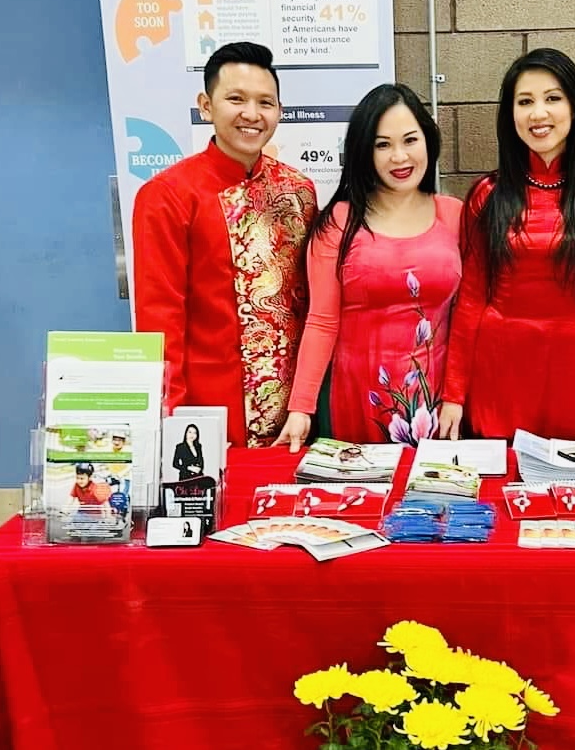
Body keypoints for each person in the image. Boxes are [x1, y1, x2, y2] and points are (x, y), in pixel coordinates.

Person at [439, 49, 575, 444]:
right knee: (499, 476)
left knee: (572, 478)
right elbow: (472, 299)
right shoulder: (487, 195)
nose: (538, 113)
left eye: (552, 98)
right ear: (510, 114)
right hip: (498, 369)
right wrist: (454, 395)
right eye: (525, 101)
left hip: (573, 372)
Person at [133, 42, 317, 447]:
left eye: (265, 102)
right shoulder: (168, 195)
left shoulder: (298, 191)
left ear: (279, 111)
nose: (252, 114)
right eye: (236, 99)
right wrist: (171, 421)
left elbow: (312, 306)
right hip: (210, 412)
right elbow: (160, 320)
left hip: (296, 411)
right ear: (206, 106)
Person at [276, 84, 462, 451]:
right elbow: (321, 321)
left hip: (438, 404)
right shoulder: (339, 222)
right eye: (382, 145)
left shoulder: (455, 215)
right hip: (355, 399)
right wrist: (301, 407)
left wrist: (458, 394)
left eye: (410, 140)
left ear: (428, 140)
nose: (399, 156)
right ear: (364, 151)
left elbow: (468, 316)